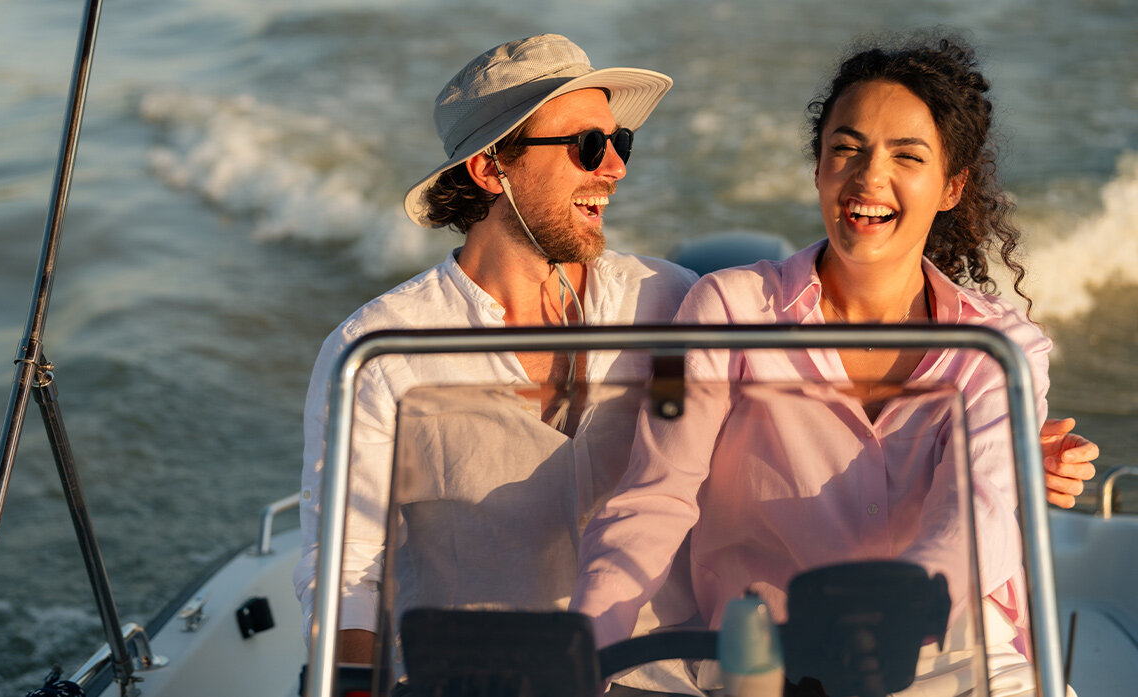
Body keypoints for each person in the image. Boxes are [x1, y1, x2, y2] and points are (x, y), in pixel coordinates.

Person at [571, 35, 1085, 696]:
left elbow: (976, 510)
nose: (869, 177)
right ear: (818, 168)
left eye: (907, 155)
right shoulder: (727, 309)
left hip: (946, 648)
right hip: (765, 652)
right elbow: (655, 498)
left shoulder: (998, 347)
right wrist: (586, 651)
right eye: (846, 149)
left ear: (952, 185)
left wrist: (889, 615)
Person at [292, 34, 697, 664]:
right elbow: (348, 568)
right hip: (481, 675)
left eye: (620, 142)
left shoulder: (671, 300)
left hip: (658, 669)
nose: (614, 169)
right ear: (491, 169)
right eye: (587, 146)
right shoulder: (380, 351)